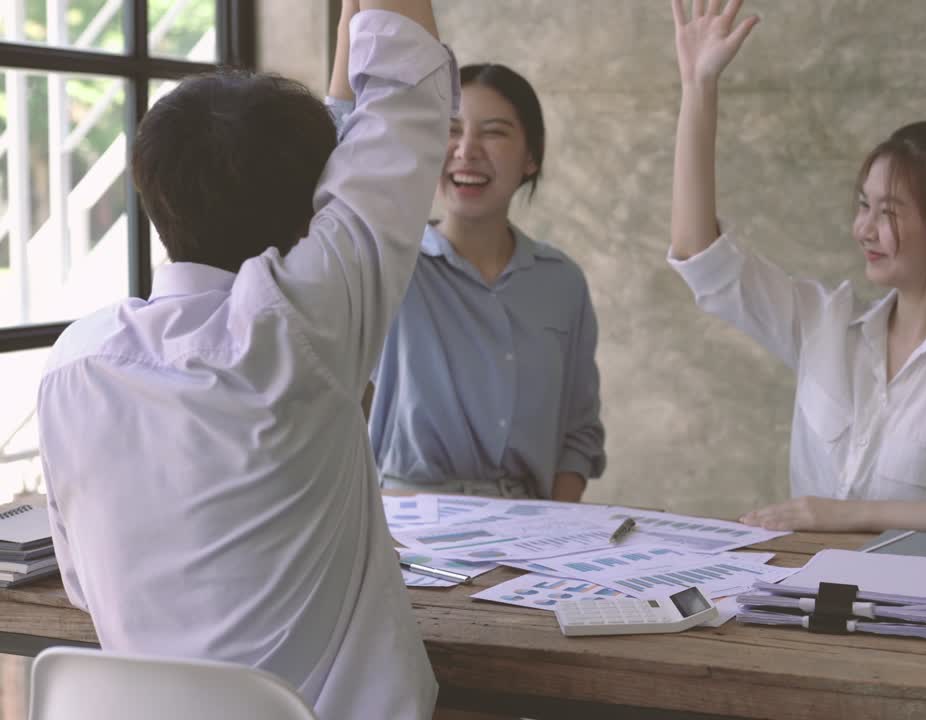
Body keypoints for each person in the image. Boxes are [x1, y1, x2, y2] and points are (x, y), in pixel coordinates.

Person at [37, 2, 455, 718]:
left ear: (150, 186)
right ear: (307, 218)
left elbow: (80, 587)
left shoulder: (73, 366)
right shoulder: (302, 328)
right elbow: (408, 89)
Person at [666, 0, 926, 542]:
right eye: (863, 206)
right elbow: (700, 255)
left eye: (889, 212)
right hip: (803, 604)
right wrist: (699, 89)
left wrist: (848, 514)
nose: (864, 229)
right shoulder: (825, 326)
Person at [328, 56, 605, 502]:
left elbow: (580, 432)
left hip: (532, 530)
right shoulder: (393, 264)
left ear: (531, 157)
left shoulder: (562, 282)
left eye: (494, 132)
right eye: (451, 130)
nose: (467, 149)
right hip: (409, 520)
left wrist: (556, 524)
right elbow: (341, 174)